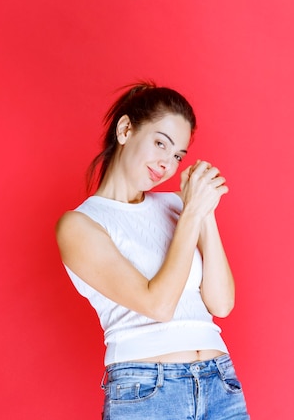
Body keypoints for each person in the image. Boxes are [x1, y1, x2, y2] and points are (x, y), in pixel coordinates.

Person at [56, 82, 250, 419]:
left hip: (220, 381)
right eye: (160, 143)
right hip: (148, 392)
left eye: (177, 155)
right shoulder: (80, 225)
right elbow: (158, 305)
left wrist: (204, 212)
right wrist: (192, 213)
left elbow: (221, 303)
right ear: (126, 129)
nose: (167, 163)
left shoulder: (176, 205)